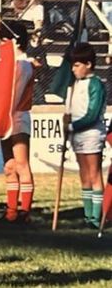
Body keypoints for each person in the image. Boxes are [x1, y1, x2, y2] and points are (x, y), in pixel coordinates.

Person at [64, 42, 107, 228]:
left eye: (77, 65)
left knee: (94, 173)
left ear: (88, 64)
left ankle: (97, 218)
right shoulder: (75, 84)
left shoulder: (96, 84)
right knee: (84, 176)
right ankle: (87, 216)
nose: (73, 69)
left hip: (91, 133)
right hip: (77, 135)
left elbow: (92, 113)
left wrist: (73, 126)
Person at [2, 34, 35, 223]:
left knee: (22, 164)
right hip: (6, 118)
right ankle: (11, 211)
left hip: (19, 117)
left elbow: (15, 94)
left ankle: (25, 211)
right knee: (9, 166)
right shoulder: (10, 64)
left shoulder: (23, 65)